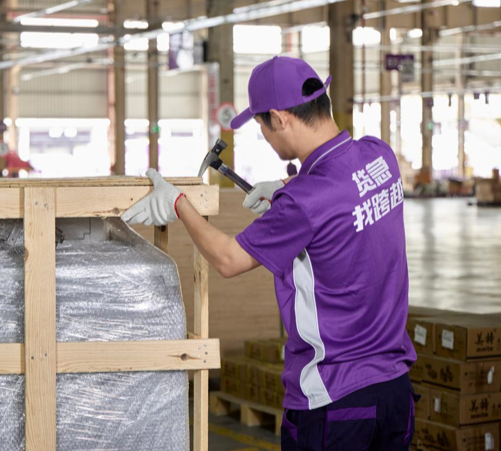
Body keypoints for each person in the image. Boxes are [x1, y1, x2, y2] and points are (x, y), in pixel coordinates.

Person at [122, 56, 417, 451]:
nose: (264, 136)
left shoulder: (303, 203)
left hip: (334, 400)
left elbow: (228, 259)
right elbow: (339, 185)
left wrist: (177, 203)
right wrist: (285, 184)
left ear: (279, 118)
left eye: (261, 126)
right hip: (395, 391)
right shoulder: (380, 155)